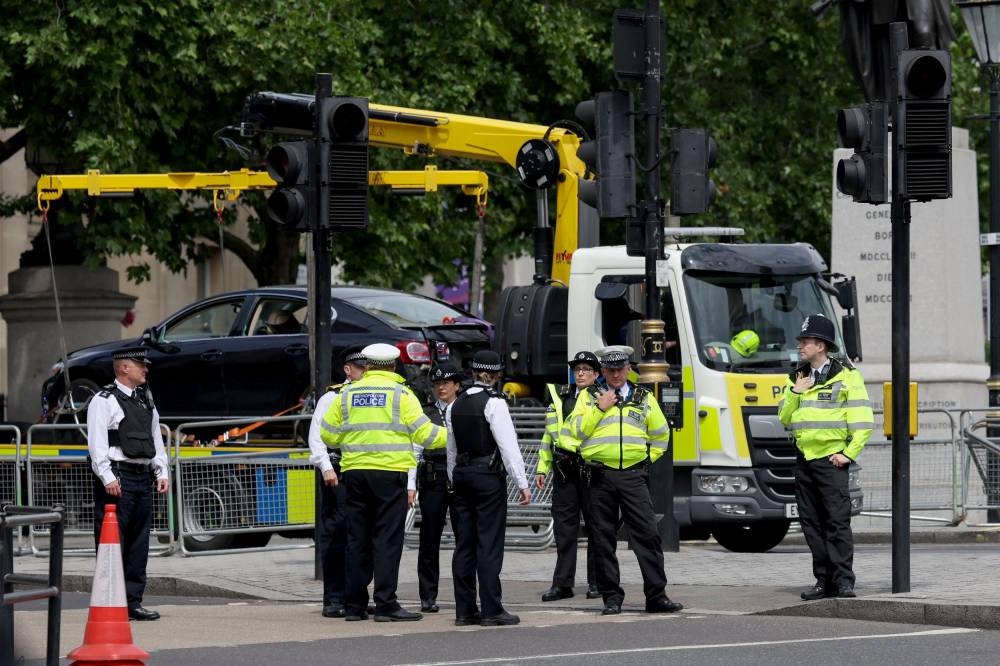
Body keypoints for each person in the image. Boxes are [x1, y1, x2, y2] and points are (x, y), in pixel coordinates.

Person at [320, 342, 445, 622]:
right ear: (392, 364)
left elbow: (328, 435)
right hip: (390, 476)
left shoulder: (347, 394)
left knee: (357, 539)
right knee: (387, 541)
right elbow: (425, 435)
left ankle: (354, 606)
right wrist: (452, 435)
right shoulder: (402, 394)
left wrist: (352, 442)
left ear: (369, 364)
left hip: (354, 474)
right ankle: (386, 604)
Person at [566, 345, 682, 616]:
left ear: (629, 369)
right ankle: (611, 598)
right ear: (603, 371)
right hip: (599, 475)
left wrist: (645, 462)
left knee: (648, 536)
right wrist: (598, 408)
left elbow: (661, 434)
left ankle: (656, 596)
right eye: (610, 369)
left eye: (620, 369)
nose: (616, 375)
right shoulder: (589, 396)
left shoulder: (643, 397)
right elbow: (572, 433)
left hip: (633, 475)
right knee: (603, 539)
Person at [778, 314, 873, 600]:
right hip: (804, 460)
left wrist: (848, 454)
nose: (801, 346)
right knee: (811, 523)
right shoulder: (797, 376)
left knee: (837, 522)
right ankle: (824, 580)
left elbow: (863, 420)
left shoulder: (847, 376)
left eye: (805, 341)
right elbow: (784, 417)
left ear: (821, 345)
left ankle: (844, 581)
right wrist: (796, 392)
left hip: (831, 461)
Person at [446, 350, 531, 627]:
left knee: (465, 544)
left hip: (461, 476)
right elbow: (508, 447)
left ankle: (464, 609)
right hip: (487, 477)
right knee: (489, 544)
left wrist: (453, 478)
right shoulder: (495, 403)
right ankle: (492, 608)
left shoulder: (455, 404)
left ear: (472, 372)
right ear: (496, 375)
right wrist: (522, 482)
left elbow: (451, 449)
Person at [87, 346, 169, 621]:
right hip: (118, 478)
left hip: (142, 477)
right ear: (124, 368)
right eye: (140, 364)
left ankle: (133, 602)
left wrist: (162, 472)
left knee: (138, 543)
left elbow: (155, 440)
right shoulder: (104, 400)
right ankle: (109, 602)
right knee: (112, 542)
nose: (145, 369)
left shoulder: (146, 399)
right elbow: (97, 444)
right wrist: (108, 477)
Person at [307, 344, 367, 619]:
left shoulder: (368, 396)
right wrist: (326, 467)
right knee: (336, 536)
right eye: (361, 368)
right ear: (348, 370)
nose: (366, 372)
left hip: (361, 470)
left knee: (362, 537)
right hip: (338, 471)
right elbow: (316, 436)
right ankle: (333, 598)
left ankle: (356, 596)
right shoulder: (332, 397)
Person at [535, 351, 600, 602]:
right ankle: (562, 584)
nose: (581, 373)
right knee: (564, 530)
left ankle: (597, 582)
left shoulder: (599, 397)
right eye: (577, 369)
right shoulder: (559, 396)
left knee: (597, 528)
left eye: (586, 369)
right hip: (564, 470)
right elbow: (549, 435)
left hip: (590, 469)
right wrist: (543, 467)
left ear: (596, 374)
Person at [414, 362, 464, 613]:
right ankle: (427, 595)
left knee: (464, 537)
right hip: (433, 478)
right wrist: (411, 483)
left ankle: (464, 594)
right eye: (437, 383)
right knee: (429, 539)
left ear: (457, 385)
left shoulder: (466, 408)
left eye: (446, 383)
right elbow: (415, 448)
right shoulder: (426, 412)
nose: (441, 387)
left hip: (460, 480)